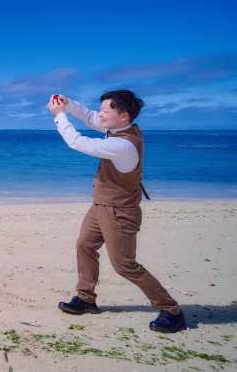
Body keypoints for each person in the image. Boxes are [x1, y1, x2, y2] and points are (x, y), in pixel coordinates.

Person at [47, 90, 186, 333]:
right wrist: (69, 104)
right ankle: (86, 298)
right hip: (101, 206)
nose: (100, 114)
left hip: (120, 212)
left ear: (123, 116)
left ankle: (171, 310)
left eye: (105, 110)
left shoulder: (122, 144)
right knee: (85, 245)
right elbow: (90, 117)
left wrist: (59, 115)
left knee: (125, 265)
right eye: (101, 109)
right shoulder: (119, 130)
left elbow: (77, 142)